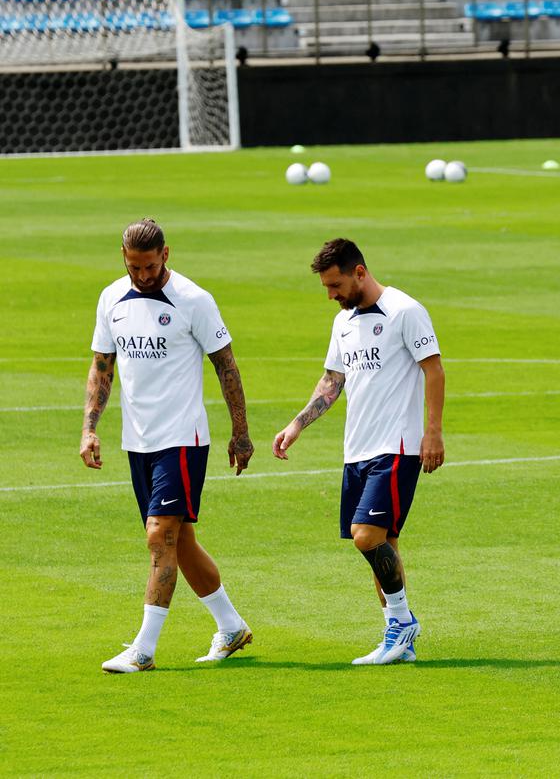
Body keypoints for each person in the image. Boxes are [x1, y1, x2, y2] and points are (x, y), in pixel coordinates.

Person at [81, 218, 254, 674]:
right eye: (135, 267)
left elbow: (227, 367)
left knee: (160, 536)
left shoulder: (194, 300)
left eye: (151, 266)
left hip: (183, 438)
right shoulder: (111, 299)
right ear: (124, 258)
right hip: (137, 441)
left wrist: (241, 432)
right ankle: (231, 625)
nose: (143, 275)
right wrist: (90, 428)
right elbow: (102, 367)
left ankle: (144, 649)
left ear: (167, 255)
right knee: (180, 542)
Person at [272, 239, 445, 665]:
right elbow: (333, 380)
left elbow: (434, 369)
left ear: (360, 273)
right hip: (358, 449)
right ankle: (398, 639)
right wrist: (297, 425)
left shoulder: (405, 311)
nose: (331, 295)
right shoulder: (344, 322)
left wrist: (433, 432)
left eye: (335, 285)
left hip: (397, 446)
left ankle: (403, 623)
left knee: (367, 537)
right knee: (383, 544)